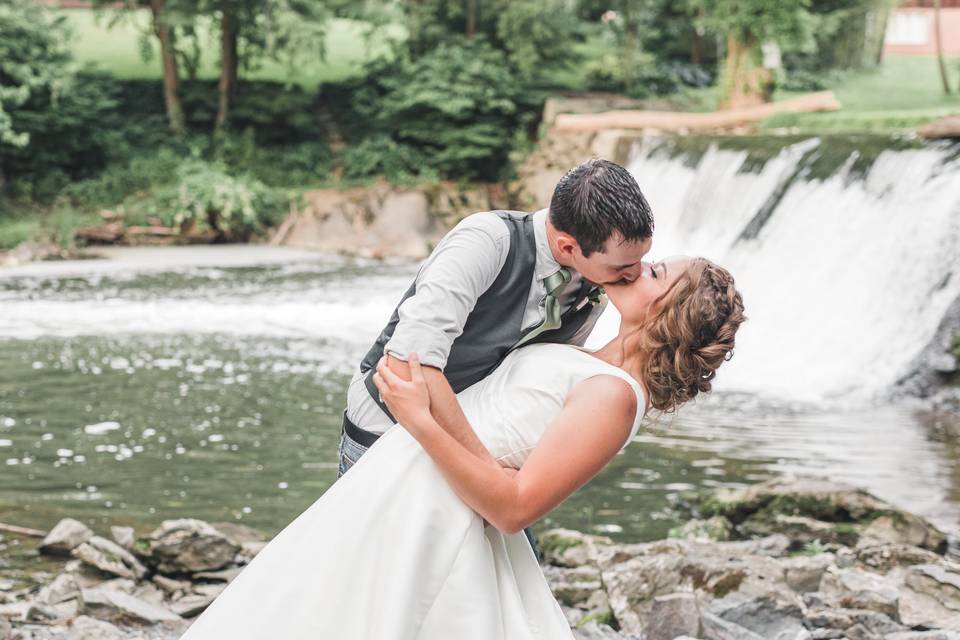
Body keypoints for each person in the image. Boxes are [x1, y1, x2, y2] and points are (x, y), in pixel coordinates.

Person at [178, 255, 745, 640]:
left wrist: (419, 419)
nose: (638, 266)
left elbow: (514, 509)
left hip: (437, 513)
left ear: (670, 310)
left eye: (654, 272)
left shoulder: (616, 398)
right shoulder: (592, 352)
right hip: (403, 485)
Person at [340, 158, 655, 554]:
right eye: (623, 266)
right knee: (378, 575)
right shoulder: (486, 242)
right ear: (568, 247)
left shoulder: (593, 290)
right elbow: (408, 368)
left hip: (467, 444)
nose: (636, 274)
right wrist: (492, 472)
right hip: (385, 434)